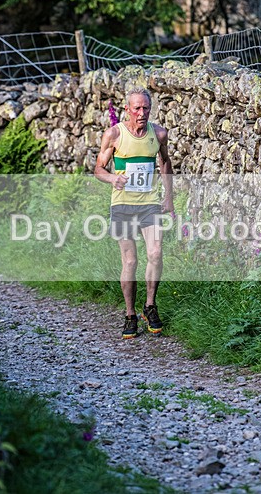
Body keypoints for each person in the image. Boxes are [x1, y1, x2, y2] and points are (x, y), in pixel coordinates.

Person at [95, 87, 174, 339]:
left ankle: (149, 306)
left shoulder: (159, 134)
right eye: (137, 108)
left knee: (156, 253)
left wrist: (169, 196)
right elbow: (98, 168)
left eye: (146, 108)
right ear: (127, 109)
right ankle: (130, 314)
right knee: (130, 261)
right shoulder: (114, 134)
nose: (141, 113)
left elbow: (165, 162)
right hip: (123, 206)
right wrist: (111, 179)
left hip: (149, 204)